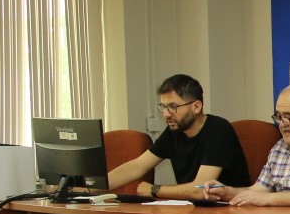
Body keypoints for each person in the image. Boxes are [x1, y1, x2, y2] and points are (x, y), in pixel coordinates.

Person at [106, 74, 249, 199]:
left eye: (173, 107)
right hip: (192, 209)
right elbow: (137, 166)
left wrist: (154, 190)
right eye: (163, 107)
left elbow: (200, 190)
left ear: (196, 107)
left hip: (228, 209)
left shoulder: (218, 129)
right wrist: (94, 187)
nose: (166, 114)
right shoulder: (174, 131)